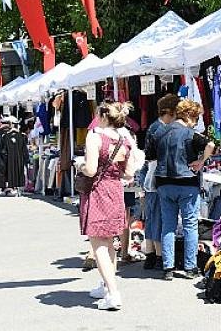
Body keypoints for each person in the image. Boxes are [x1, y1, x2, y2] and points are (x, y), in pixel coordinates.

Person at [76, 102, 139, 311]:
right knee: (110, 242)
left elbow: (91, 169)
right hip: (115, 191)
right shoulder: (125, 139)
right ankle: (106, 285)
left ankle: (113, 293)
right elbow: (129, 173)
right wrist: (113, 171)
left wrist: (80, 165)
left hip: (98, 191)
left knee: (99, 244)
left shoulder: (95, 137)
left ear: (103, 116)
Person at [148, 99, 215, 281]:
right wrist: (201, 161)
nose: (196, 123)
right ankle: (190, 267)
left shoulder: (159, 132)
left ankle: (168, 267)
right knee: (190, 225)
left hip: (163, 183)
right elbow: (210, 145)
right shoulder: (190, 133)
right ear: (188, 116)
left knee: (168, 225)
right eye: (195, 119)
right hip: (187, 182)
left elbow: (150, 156)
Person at [141, 94, 180, 271]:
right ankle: (158, 256)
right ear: (170, 113)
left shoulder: (154, 127)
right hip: (157, 178)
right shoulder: (160, 129)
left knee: (151, 218)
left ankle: (150, 255)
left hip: (151, 178)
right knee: (158, 218)